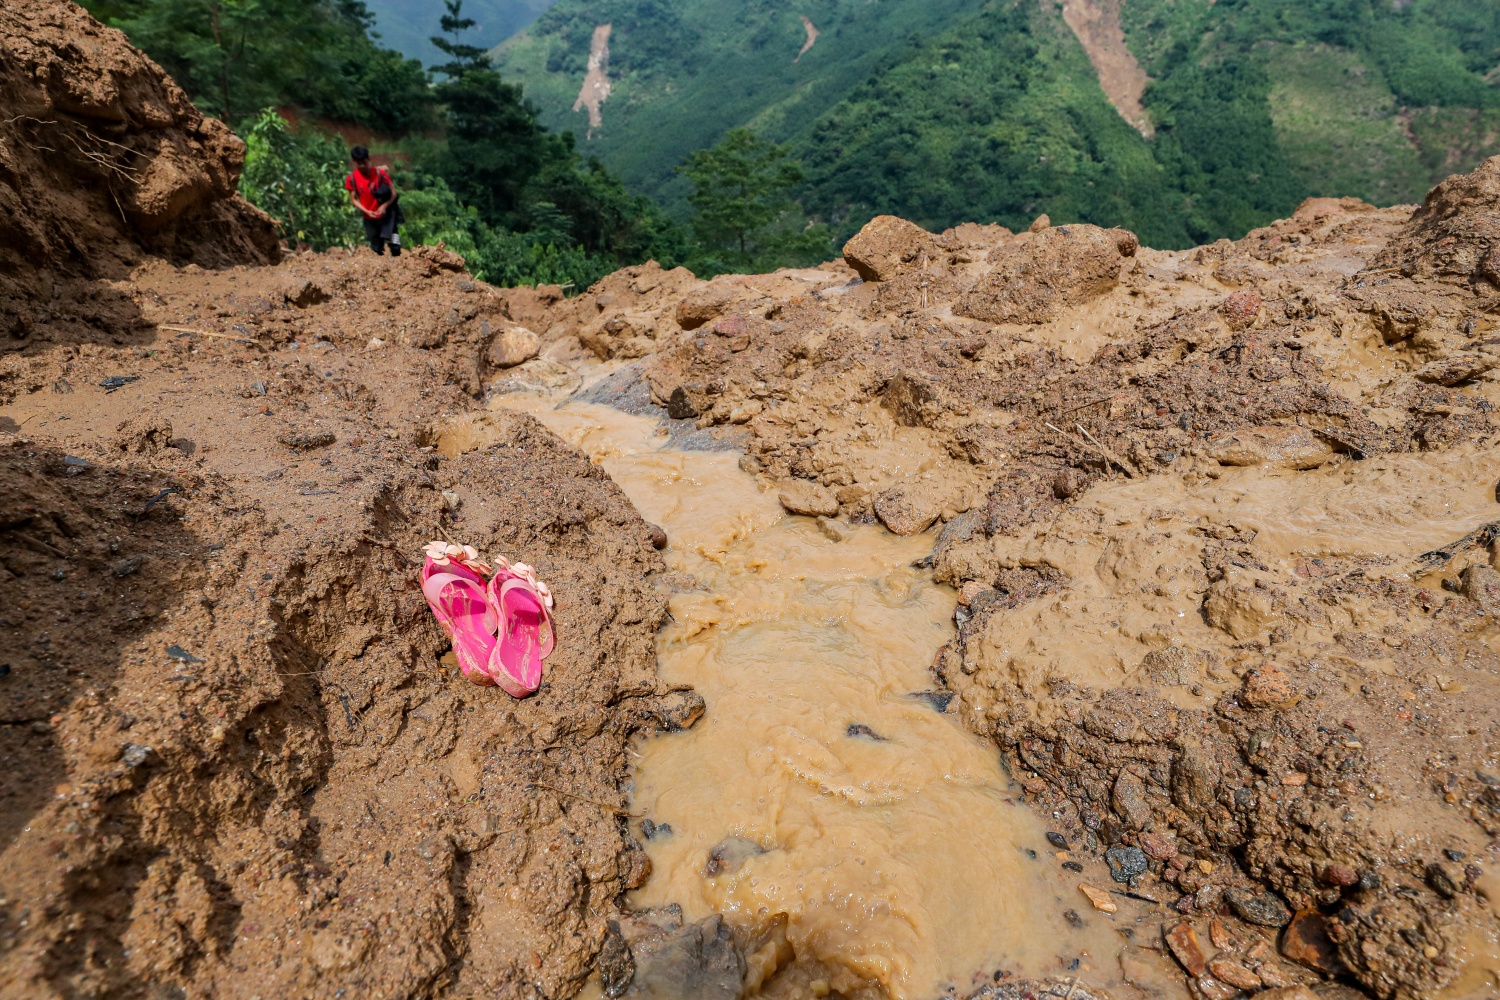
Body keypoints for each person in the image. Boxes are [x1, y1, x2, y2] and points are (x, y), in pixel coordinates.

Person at [344, 146, 404, 256]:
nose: (362, 166)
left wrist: (384, 207)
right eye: (359, 163)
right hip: (369, 219)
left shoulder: (381, 174)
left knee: (395, 245)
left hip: (388, 217)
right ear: (355, 162)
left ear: (369, 159)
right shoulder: (351, 179)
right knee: (376, 248)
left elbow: (394, 193)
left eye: (364, 162)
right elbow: (353, 199)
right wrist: (366, 211)